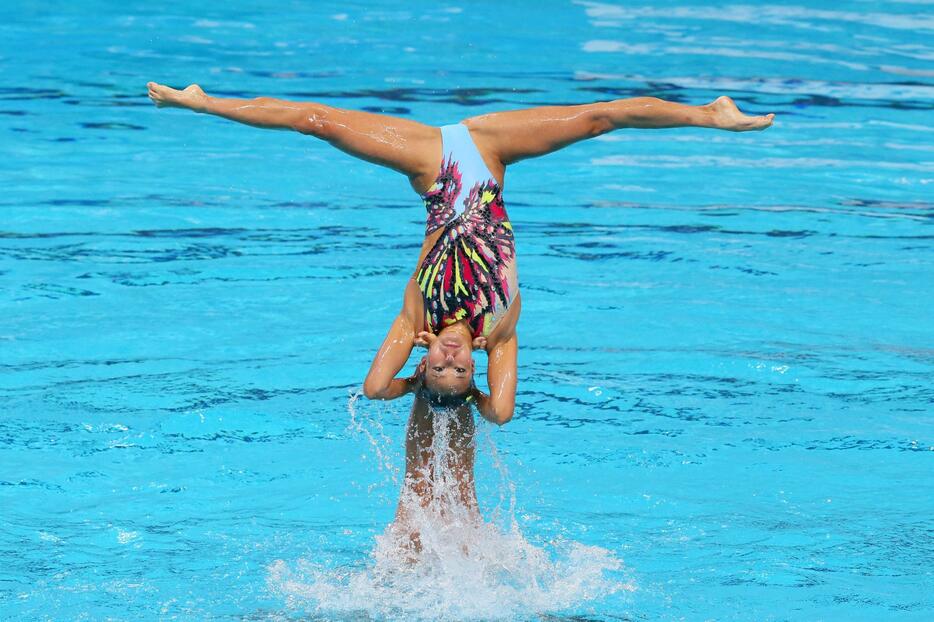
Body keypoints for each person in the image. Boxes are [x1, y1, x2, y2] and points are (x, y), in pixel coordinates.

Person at [146, 81, 774, 549]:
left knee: (318, 122)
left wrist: (413, 381)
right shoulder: (500, 329)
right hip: (490, 159)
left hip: (438, 168)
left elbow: (371, 388)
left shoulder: (413, 319)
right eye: (457, 369)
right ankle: (710, 116)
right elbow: (500, 411)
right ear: (472, 366)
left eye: (436, 366)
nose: (448, 357)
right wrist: (465, 395)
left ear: (426, 361)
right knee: (598, 118)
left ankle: (204, 102)